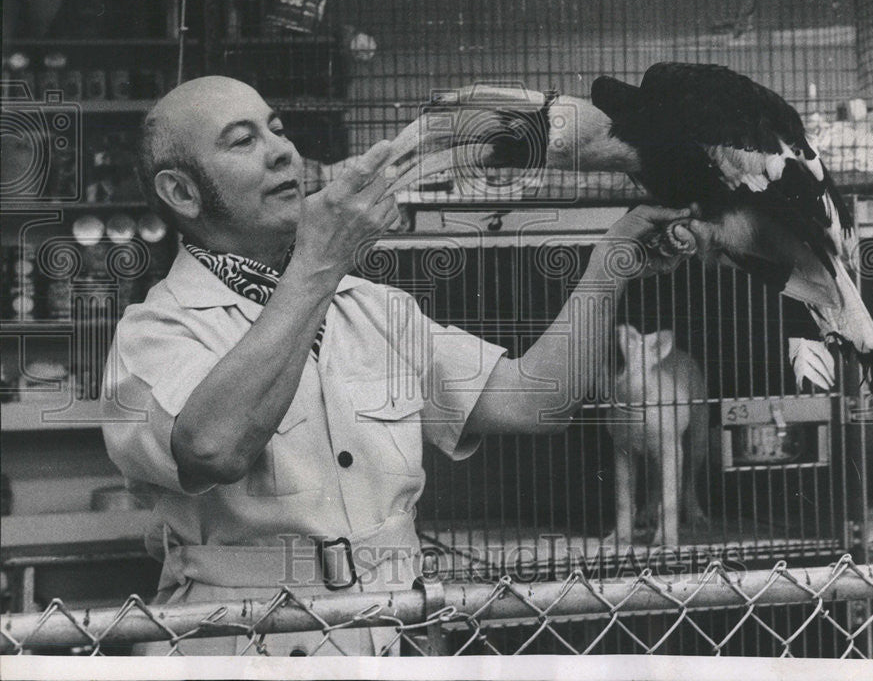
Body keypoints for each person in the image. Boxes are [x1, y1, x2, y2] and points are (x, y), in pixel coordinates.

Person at [101, 75, 693, 656]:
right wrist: (321, 260)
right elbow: (214, 448)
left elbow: (538, 400)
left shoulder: (375, 311)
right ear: (182, 193)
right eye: (242, 140)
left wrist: (612, 260)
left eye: (277, 129)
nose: (282, 149)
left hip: (389, 633)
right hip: (241, 642)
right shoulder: (155, 332)